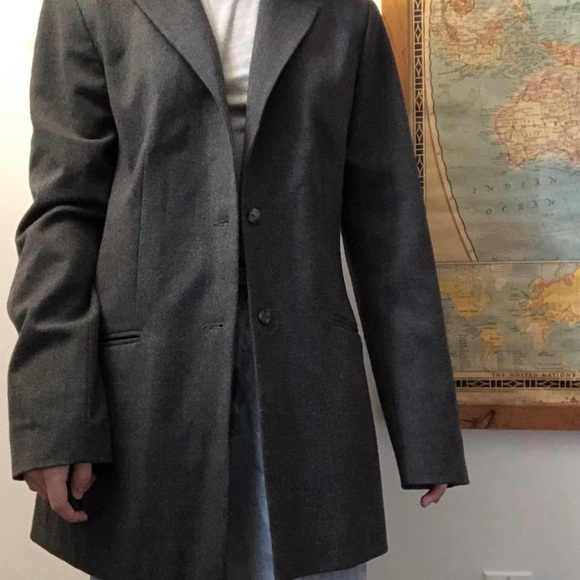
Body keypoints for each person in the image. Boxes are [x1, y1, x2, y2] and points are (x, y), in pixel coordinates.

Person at [6, 0, 469, 578]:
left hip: (306, 391)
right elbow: (64, 214)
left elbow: (389, 223)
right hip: (148, 397)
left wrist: (426, 426)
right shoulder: (90, 6)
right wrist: (52, 418)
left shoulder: (345, 14)